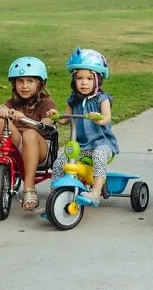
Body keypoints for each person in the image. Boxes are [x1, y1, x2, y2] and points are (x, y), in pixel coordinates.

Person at [0, 56, 56, 211]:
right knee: (0, 120)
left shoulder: (46, 103)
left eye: (30, 81)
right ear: (14, 84)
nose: (24, 86)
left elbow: (48, 122)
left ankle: (29, 188)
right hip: (19, 147)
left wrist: (29, 120)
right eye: (20, 81)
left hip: (40, 150)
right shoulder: (13, 102)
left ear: (40, 83)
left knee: (29, 133)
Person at [47, 47, 118, 207]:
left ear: (98, 80)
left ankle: (95, 193)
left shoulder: (102, 99)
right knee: (59, 163)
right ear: (74, 80)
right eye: (79, 78)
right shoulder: (74, 99)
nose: (84, 82)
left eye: (89, 78)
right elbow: (66, 120)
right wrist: (56, 116)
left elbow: (107, 118)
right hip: (81, 147)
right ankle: (54, 197)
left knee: (99, 156)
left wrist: (97, 118)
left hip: (103, 145)